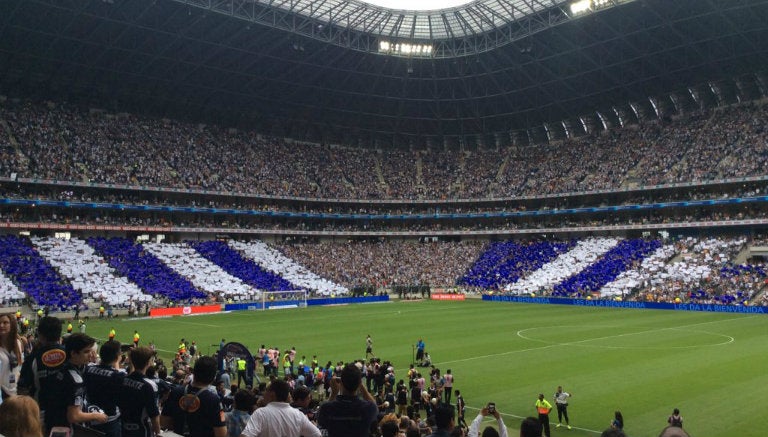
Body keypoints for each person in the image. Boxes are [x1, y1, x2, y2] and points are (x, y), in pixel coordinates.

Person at [161, 356, 227, 437]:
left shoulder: (176, 392)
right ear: (213, 377)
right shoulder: (214, 400)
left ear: (194, 372)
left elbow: (164, 421)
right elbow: (221, 433)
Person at [240, 379, 321, 437]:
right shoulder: (299, 415)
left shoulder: (260, 413)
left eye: (266, 390)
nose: (264, 394)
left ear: (272, 394)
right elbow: (317, 435)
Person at [317, 362, 378, 437]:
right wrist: (361, 385)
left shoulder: (326, 408)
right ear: (359, 383)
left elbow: (321, 420)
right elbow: (375, 406)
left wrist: (334, 393)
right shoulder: (368, 408)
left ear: (341, 383)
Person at [83, 340, 125, 437]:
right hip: (109, 420)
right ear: (117, 357)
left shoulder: (88, 369)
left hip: (90, 417)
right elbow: (117, 377)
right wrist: (117, 363)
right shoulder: (118, 376)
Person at [119, 346, 161, 437]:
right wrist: (158, 433)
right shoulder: (149, 385)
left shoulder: (123, 379)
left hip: (123, 428)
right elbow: (154, 415)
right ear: (148, 363)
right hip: (141, 430)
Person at [0, 312, 24, 400]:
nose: (1, 325)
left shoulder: (17, 343)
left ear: (12, 325)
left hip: (15, 390)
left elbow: (19, 366)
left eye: (5, 322)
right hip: (2, 391)